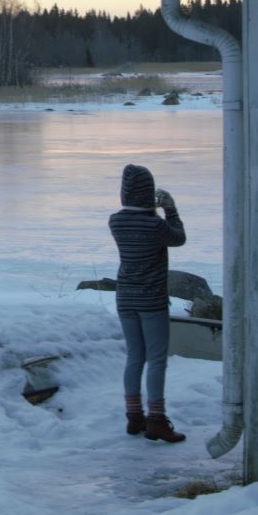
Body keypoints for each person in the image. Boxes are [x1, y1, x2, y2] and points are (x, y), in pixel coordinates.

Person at [109, 163, 187, 442]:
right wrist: (170, 208)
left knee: (134, 357)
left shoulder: (115, 221)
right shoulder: (155, 224)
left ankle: (133, 417)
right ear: (148, 194)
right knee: (156, 360)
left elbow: (139, 226)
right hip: (151, 300)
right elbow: (178, 238)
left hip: (125, 298)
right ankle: (156, 419)